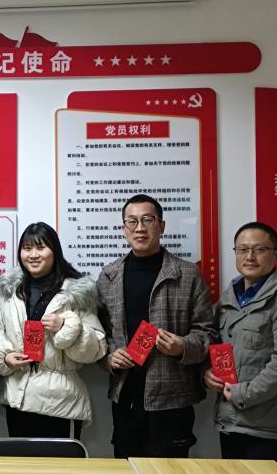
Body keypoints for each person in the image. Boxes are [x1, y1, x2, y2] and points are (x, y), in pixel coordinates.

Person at [96, 193, 216, 458]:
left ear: (161, 226)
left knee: (170, 470)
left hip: (172, 399)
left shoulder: (187, 274)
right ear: (124, 229)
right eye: (132, 221)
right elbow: (98, 334)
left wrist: (182, 347)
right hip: (126, 395)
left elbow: (207, 332)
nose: (139, 228)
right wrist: (109, 356)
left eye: (148, 220)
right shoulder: (108, 276)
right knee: (127, 466)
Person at [204, 222, 277, 468]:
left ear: (276, 255)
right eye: (242, 249)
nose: (249, 256)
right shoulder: (228, 298)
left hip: (266, 428)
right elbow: (215, 344)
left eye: (259, 249)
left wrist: (243, 394)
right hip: (229, 422)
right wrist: (206, 373)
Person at [0, 222, 107, 438]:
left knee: (61, 460)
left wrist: (66, 327)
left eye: (41, 247)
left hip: (61, 401)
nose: (33, 255)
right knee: (20, 460)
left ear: (55, 251)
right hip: (18, 399)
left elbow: (97, 348)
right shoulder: (9, 292)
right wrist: (5, 356)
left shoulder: (76, 293)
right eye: (27, 248)